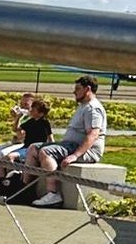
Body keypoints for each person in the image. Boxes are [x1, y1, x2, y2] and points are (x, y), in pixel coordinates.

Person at [27, 75, 108, 207]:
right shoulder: (83, 106)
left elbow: (93, 134)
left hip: (84, 150)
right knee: (33, 148)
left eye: (77, 88)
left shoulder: (93, 109)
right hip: (69, 145)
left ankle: (53, 194)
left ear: (87, 89)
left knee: (46, 152)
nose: (74, 92)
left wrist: (75, 155)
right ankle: (26, 189)